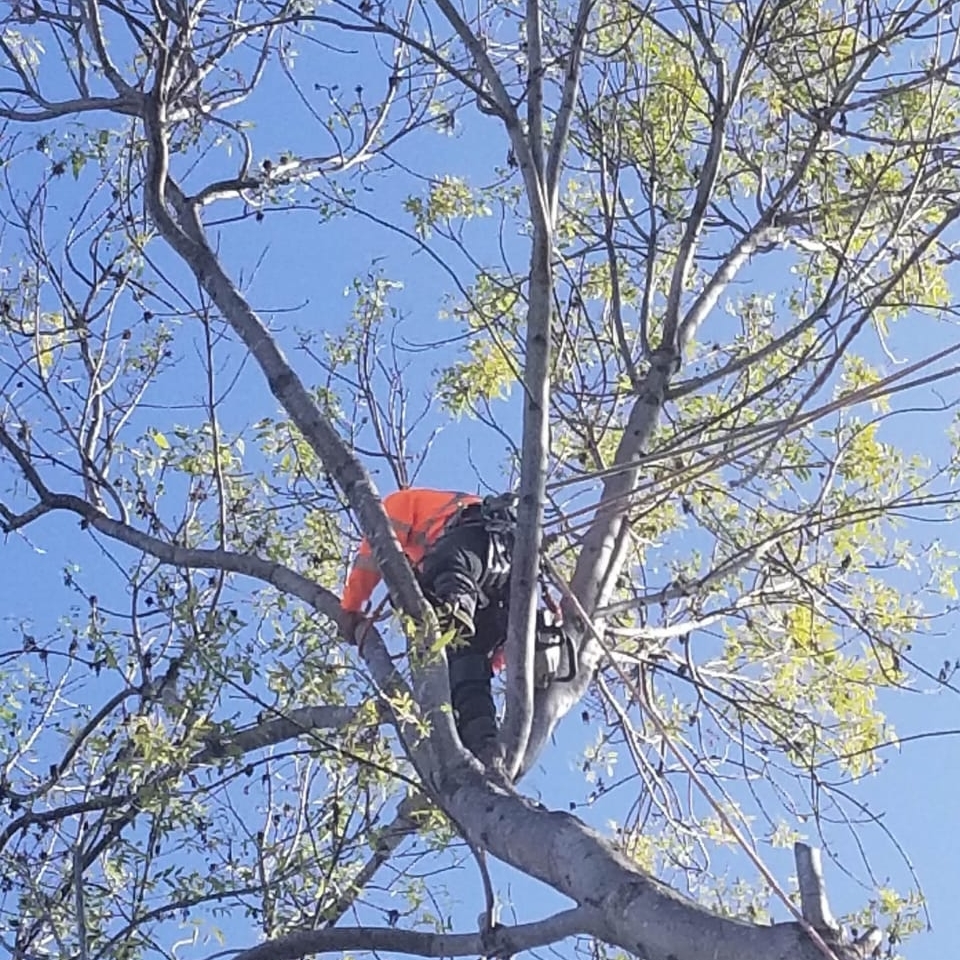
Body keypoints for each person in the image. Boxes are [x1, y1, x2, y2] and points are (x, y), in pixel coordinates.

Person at [340, 487, 518, 765]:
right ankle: (483, 744)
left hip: (479, 536)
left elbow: (372, 554)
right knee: (466, 668)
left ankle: (456, 606)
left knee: (446, 564)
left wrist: (351, 608)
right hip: (502, 580)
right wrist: (494, 659)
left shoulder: (399, 503)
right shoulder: (426, 548)